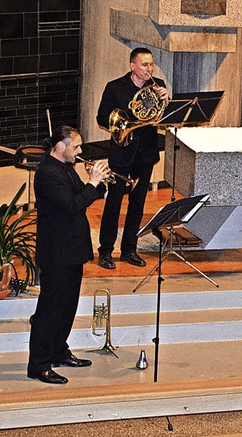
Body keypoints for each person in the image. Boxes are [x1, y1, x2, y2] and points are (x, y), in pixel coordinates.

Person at [28, 126, 109, 384]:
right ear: (60, 146)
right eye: (76, 147)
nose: (81, 151)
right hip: (56, 252)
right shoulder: (46, 174)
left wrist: (100, 186)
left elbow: (82, 199)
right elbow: (73, 205)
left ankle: (59, 352)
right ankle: (38, 364)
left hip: (72, 249)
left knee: (67, 307)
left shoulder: (66, 168)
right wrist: (92, 183)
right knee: (50, 310)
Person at [96, 47, 169, 270]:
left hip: (145, 153)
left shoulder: (157, 87)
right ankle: (106, 251)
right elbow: (102, 117)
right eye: (145, 65)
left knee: (137, 204)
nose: (149, 69)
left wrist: (166, 102)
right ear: (133, 66)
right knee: (113, 203)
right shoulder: (115, 87)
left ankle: (129, 249)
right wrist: (124, 123)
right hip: (121, 152)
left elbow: (161, 119)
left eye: (151, 64)